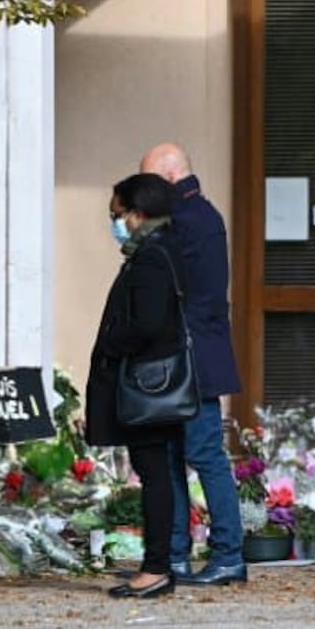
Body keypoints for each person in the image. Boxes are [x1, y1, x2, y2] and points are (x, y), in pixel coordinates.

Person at [139, 142, 246, 586]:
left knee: (202, 454)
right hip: (189, 357)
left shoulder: (185, 222)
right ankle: (177, 555)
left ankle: (227, 554)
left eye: (146, 184)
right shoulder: (200, 216)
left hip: (191, 360)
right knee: (173, 456)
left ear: (167, 178)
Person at [85, 173, 189, 599]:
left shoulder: (150, 257)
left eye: (117, 214)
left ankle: (156, 568)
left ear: (138, 213)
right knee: (156, 472)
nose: (114, 223)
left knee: (154, 474)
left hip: (145, 385)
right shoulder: (159, 250)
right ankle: (158, 564)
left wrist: (109, 342)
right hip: (151, 382)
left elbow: (146, 323)